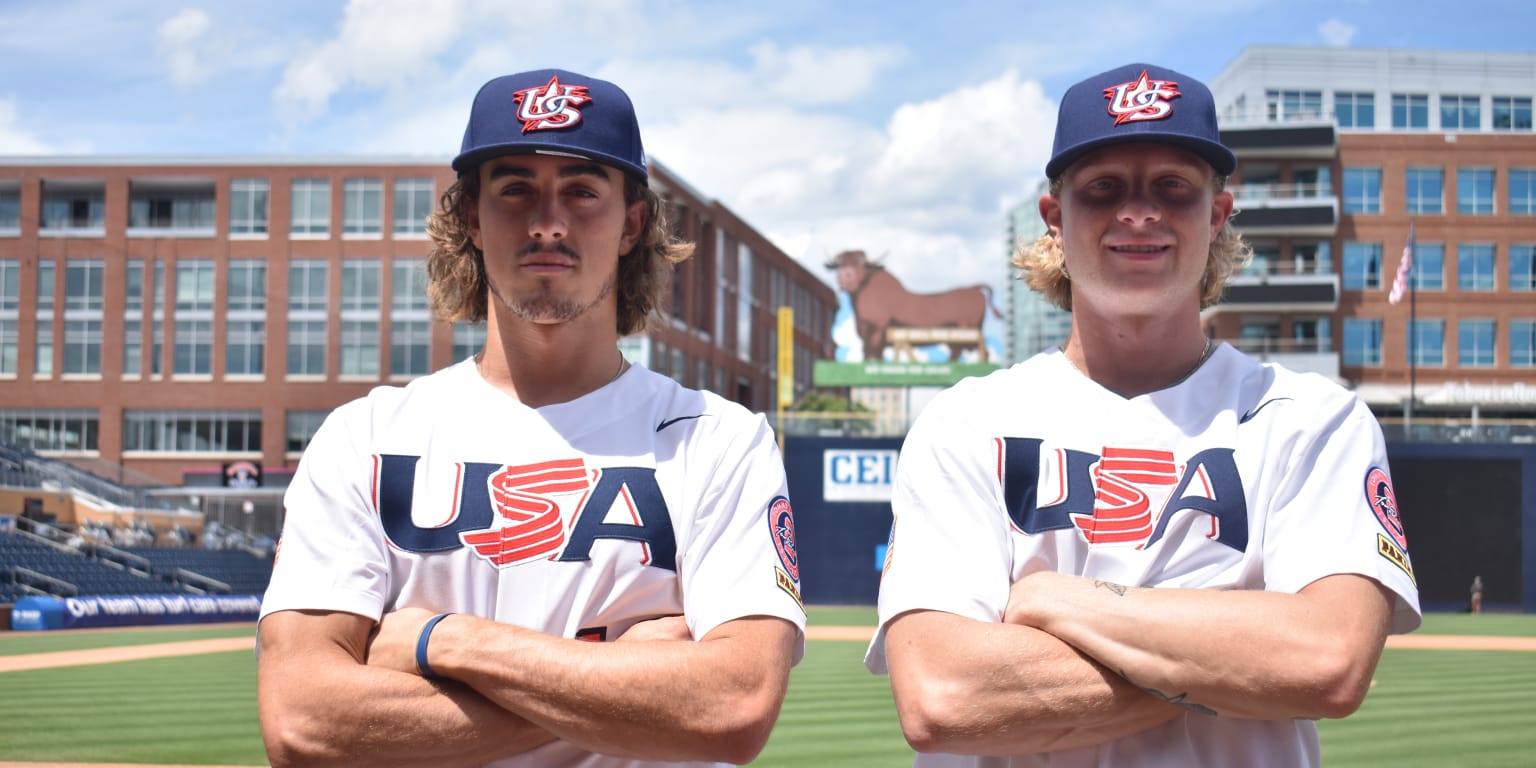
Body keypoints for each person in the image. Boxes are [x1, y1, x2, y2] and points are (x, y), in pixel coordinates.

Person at [866, 62, 1422, 767]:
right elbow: (945, 695)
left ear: (1216, 215)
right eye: (1104, 189)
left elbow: (1328, 660)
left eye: (1172, 187)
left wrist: (1051, 599)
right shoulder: (967, 421)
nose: (1139, 211)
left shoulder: (1311, 418)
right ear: (1055, 218)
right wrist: (1239, 655)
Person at [257, 68, 806, 768]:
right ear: (472, 221)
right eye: (515, 189)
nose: (549, 221)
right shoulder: (365, 437)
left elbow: (731, 708)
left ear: (633, 223)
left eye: (582, 191)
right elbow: (304, 721)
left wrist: (443, 642)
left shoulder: (719, 440)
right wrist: (625, 686)